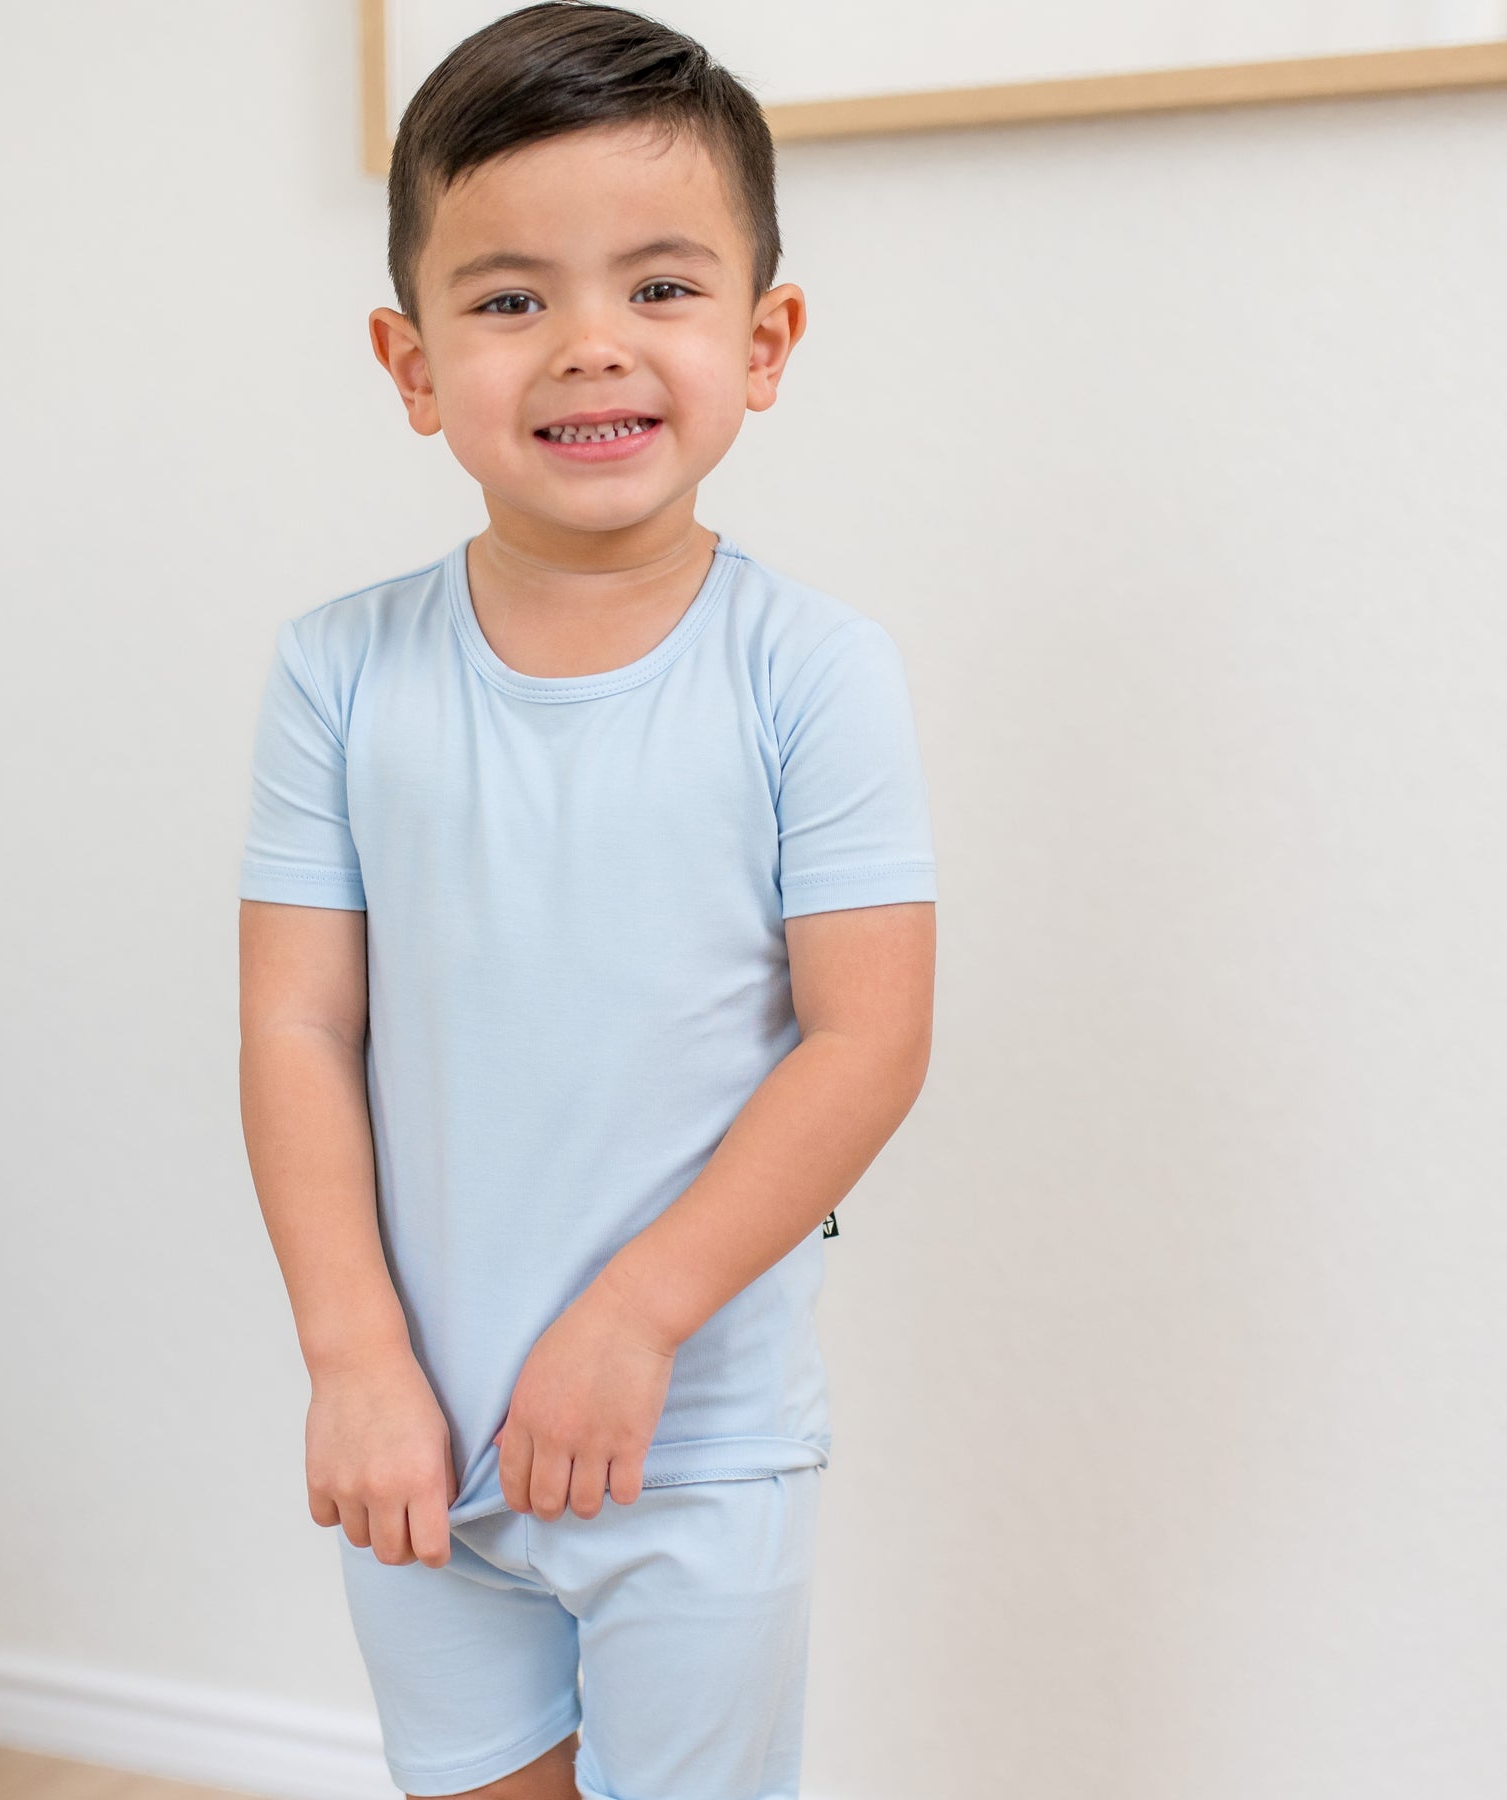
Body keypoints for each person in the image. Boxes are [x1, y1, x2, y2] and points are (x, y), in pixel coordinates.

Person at [236, 5, 937, 1796]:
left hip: (693, 1439)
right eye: (509, 298)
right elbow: (299, 1024)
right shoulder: (340, 673)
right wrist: (354, 1359)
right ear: (410, 364)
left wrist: (631, 1322)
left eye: (660, 287)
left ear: (765, 338)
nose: (586, 346)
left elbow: (866, 1042)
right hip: (421, 1432)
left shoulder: (813, 672)